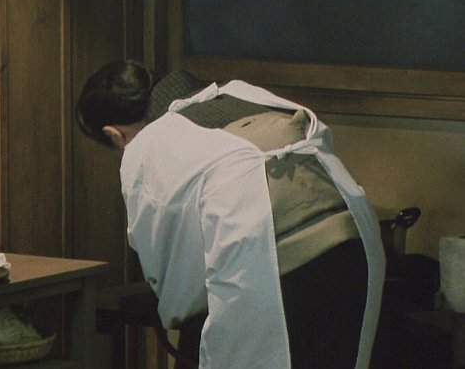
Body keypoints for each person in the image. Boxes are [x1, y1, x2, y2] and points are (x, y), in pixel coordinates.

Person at [77, 60, 385, 369]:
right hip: (354, 238)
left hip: (273, 263)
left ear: (114, 135)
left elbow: (174, 288)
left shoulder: (147, 146)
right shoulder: (239, 92)